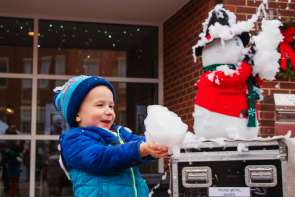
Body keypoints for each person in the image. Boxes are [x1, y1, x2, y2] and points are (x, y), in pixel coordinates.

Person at [53, 75, 168, 197]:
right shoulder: (74, 139)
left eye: (111, 106)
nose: (109, 111)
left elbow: (140, 143)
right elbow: (101, 158)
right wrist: (141, 149)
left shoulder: (120, 132)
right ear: (77, 114)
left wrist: (157, 145)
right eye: (100, 105)